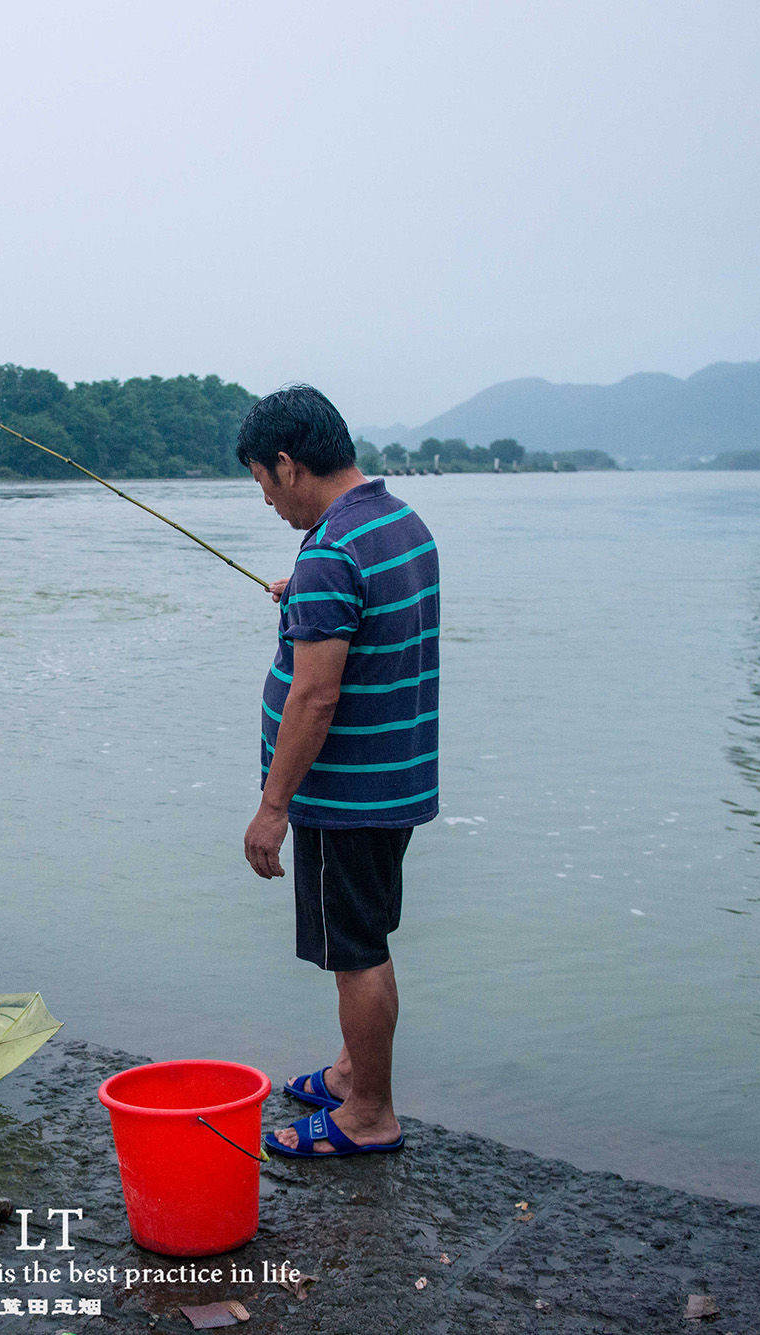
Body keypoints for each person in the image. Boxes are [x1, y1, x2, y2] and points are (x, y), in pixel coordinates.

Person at [236, 385, 440, 1159]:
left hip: (346, 790)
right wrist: (312, 598)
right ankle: (356, 1068)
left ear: (288, 465)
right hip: (396, 779)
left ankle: (369, 1113)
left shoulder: (327, 552)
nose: (265, 498)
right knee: (368, 931)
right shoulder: (397, 523)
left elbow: (316, 697)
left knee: (355, 949)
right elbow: (378, 610)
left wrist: (272, 805)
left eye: (260, 479)